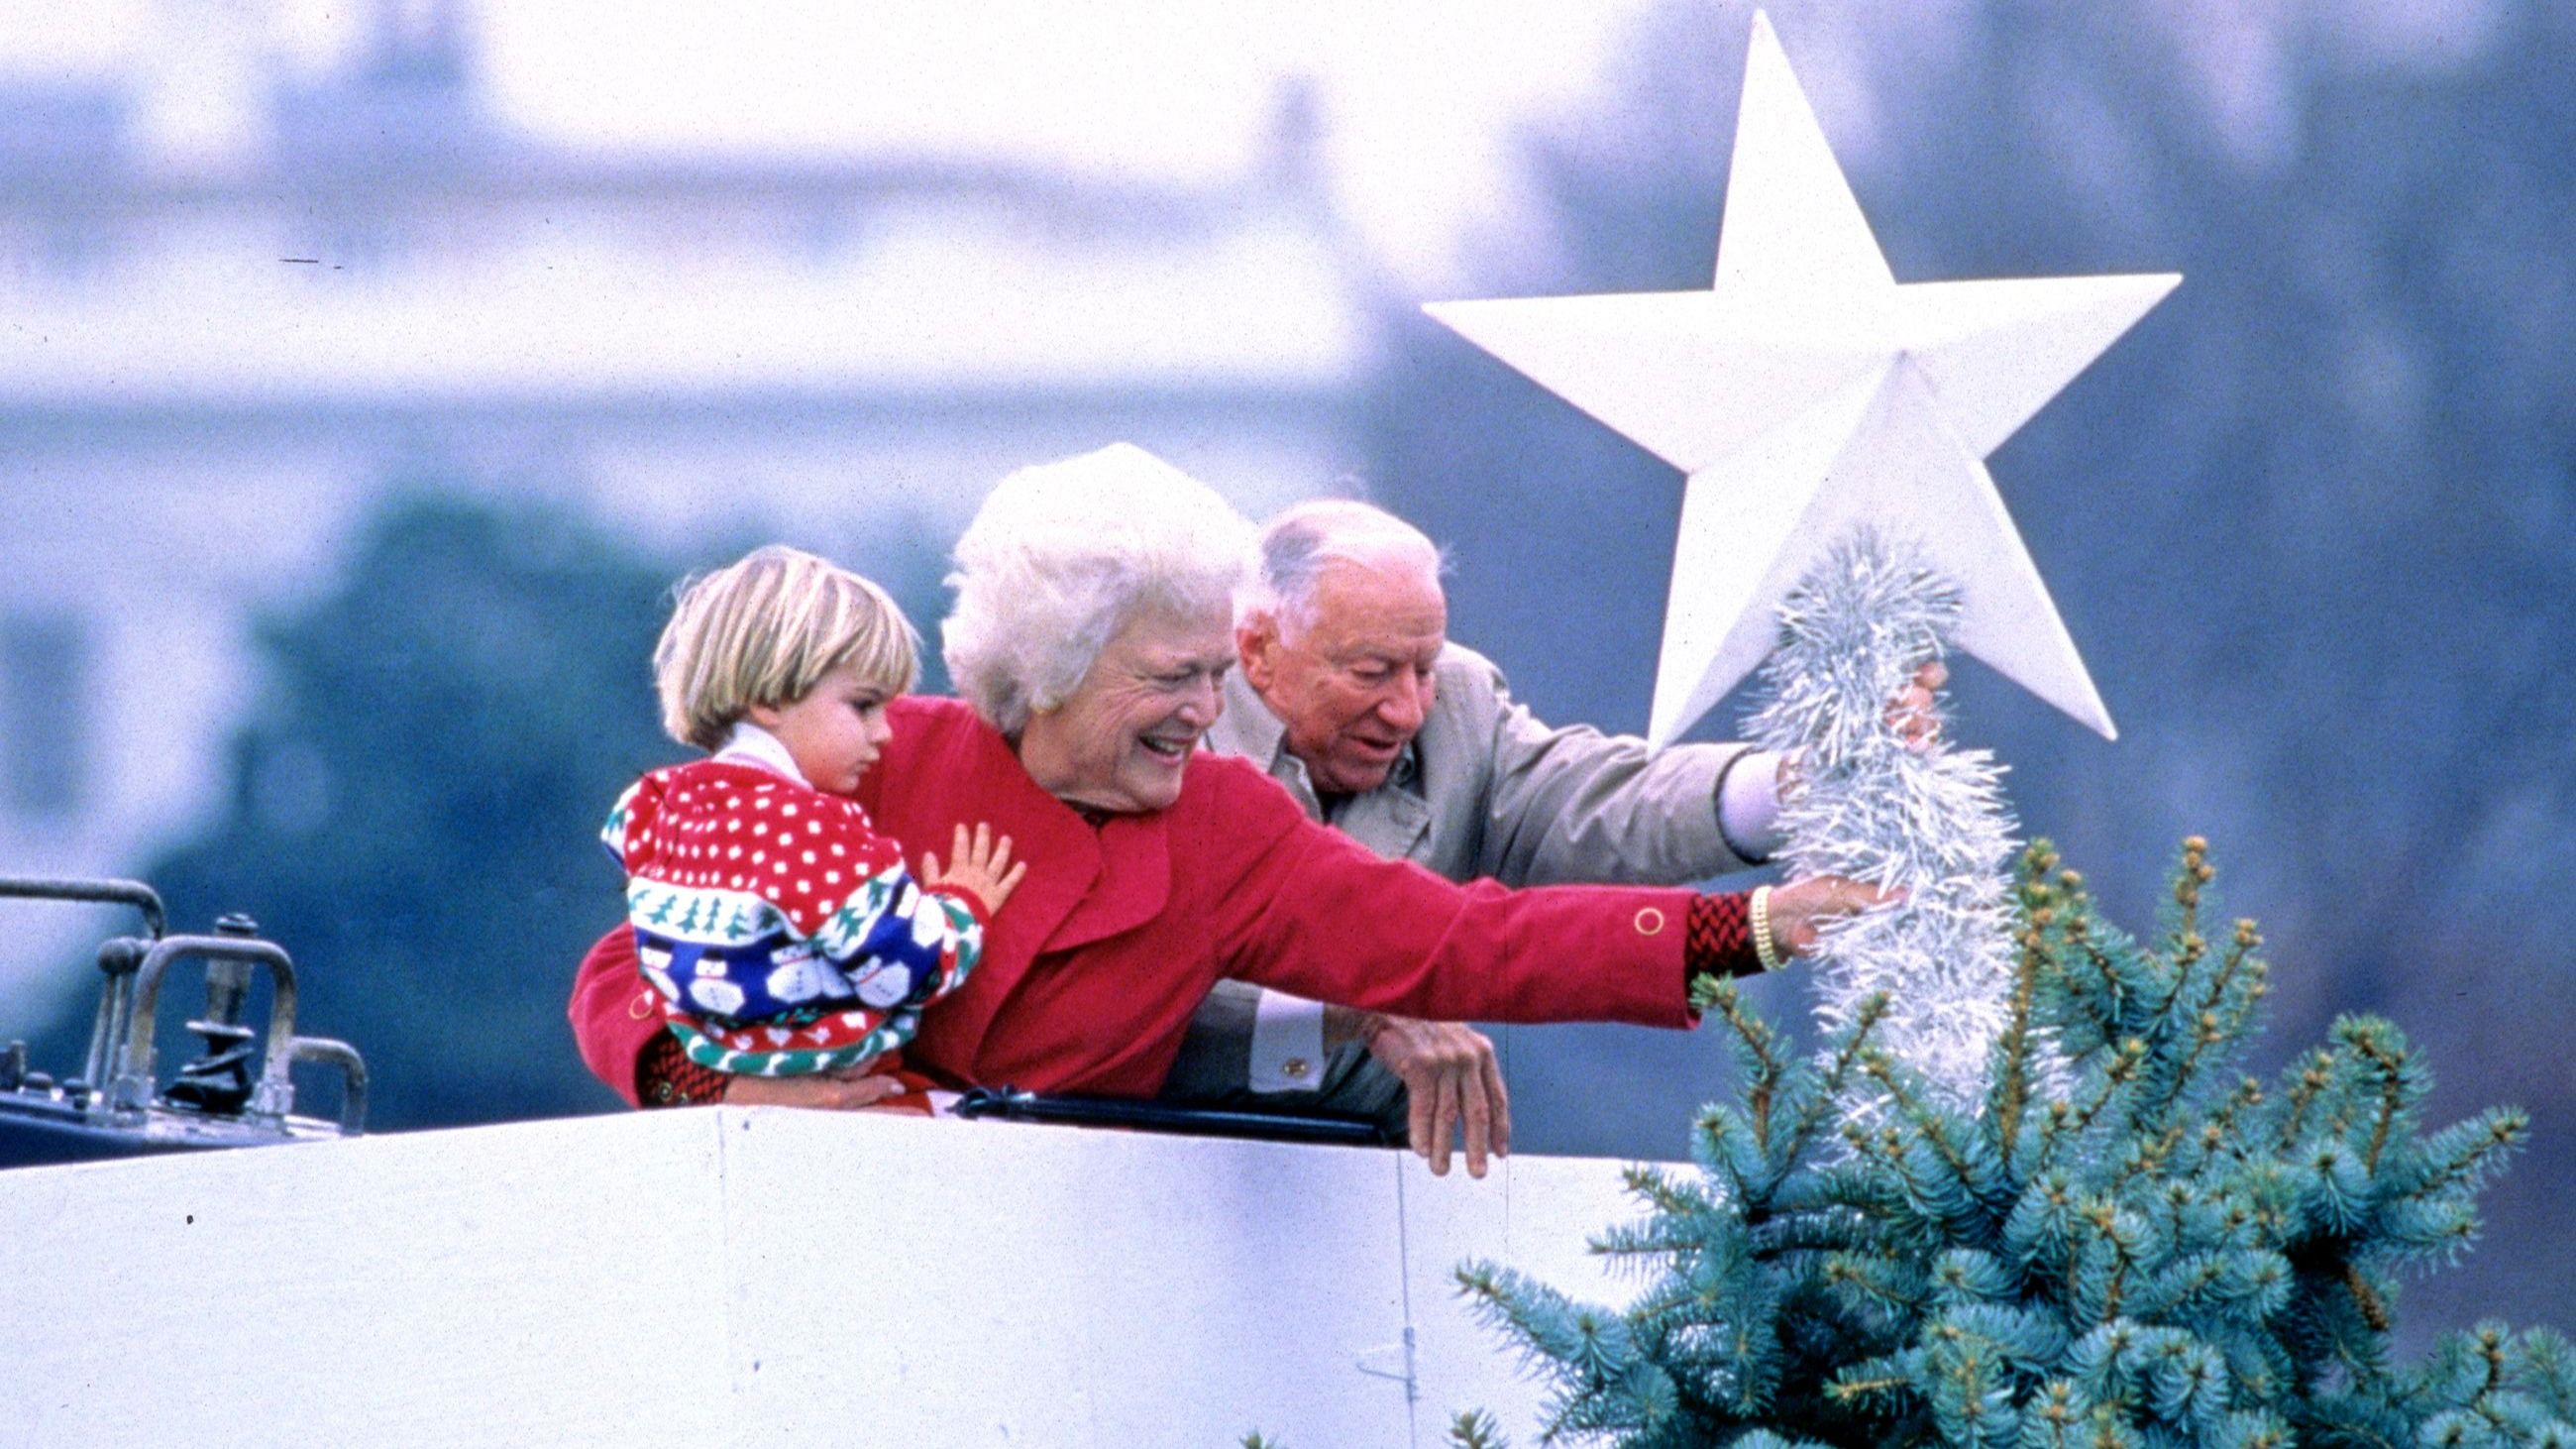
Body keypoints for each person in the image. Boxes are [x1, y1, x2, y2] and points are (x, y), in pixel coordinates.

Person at [569, 443, 1890, 1148]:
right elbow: (631, 962)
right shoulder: (885, 761)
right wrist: (722, 1088)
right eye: (1177, 675)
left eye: (1221, 672)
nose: (1214, 711)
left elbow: (1467, 938)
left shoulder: (1224, 827)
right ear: (1053, 667)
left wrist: (1765, 925)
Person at [1164, 500, 1935, 1172]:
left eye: (1423, 669)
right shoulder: (1164, 735)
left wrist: (1802, 785)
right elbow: (1131, 993)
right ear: (1257, 649)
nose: (1407, 710)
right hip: (1138, 1168)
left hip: (1376, 1183)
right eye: (1372, 673)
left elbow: (1599, 801)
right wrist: (1360, 1016)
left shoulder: (1457, 706)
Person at [602, 544, 1026, 1105]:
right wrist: (961, 904)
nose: (886, 733)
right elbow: (908, 971)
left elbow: (627, 858)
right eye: (863, 706)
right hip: (828, 1075)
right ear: (769, 699)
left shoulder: (651, 802)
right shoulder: (814, 835)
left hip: (712, 1060)